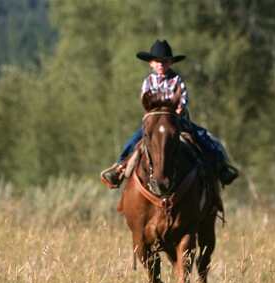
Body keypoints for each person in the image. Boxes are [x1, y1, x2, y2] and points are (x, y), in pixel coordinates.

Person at [101, 40, 238, 188]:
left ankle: (221, 166)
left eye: (165, 61)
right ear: (151, 64)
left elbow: (183, 99)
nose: (161, 64)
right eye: (157, 61)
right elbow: (145, 101)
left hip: (176, 120)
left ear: (170, 63)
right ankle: (119, 168)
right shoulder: (148, 81)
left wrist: (179, 109)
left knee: (202, 136)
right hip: (154, 121)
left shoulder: (176, 80)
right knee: (134, 140)